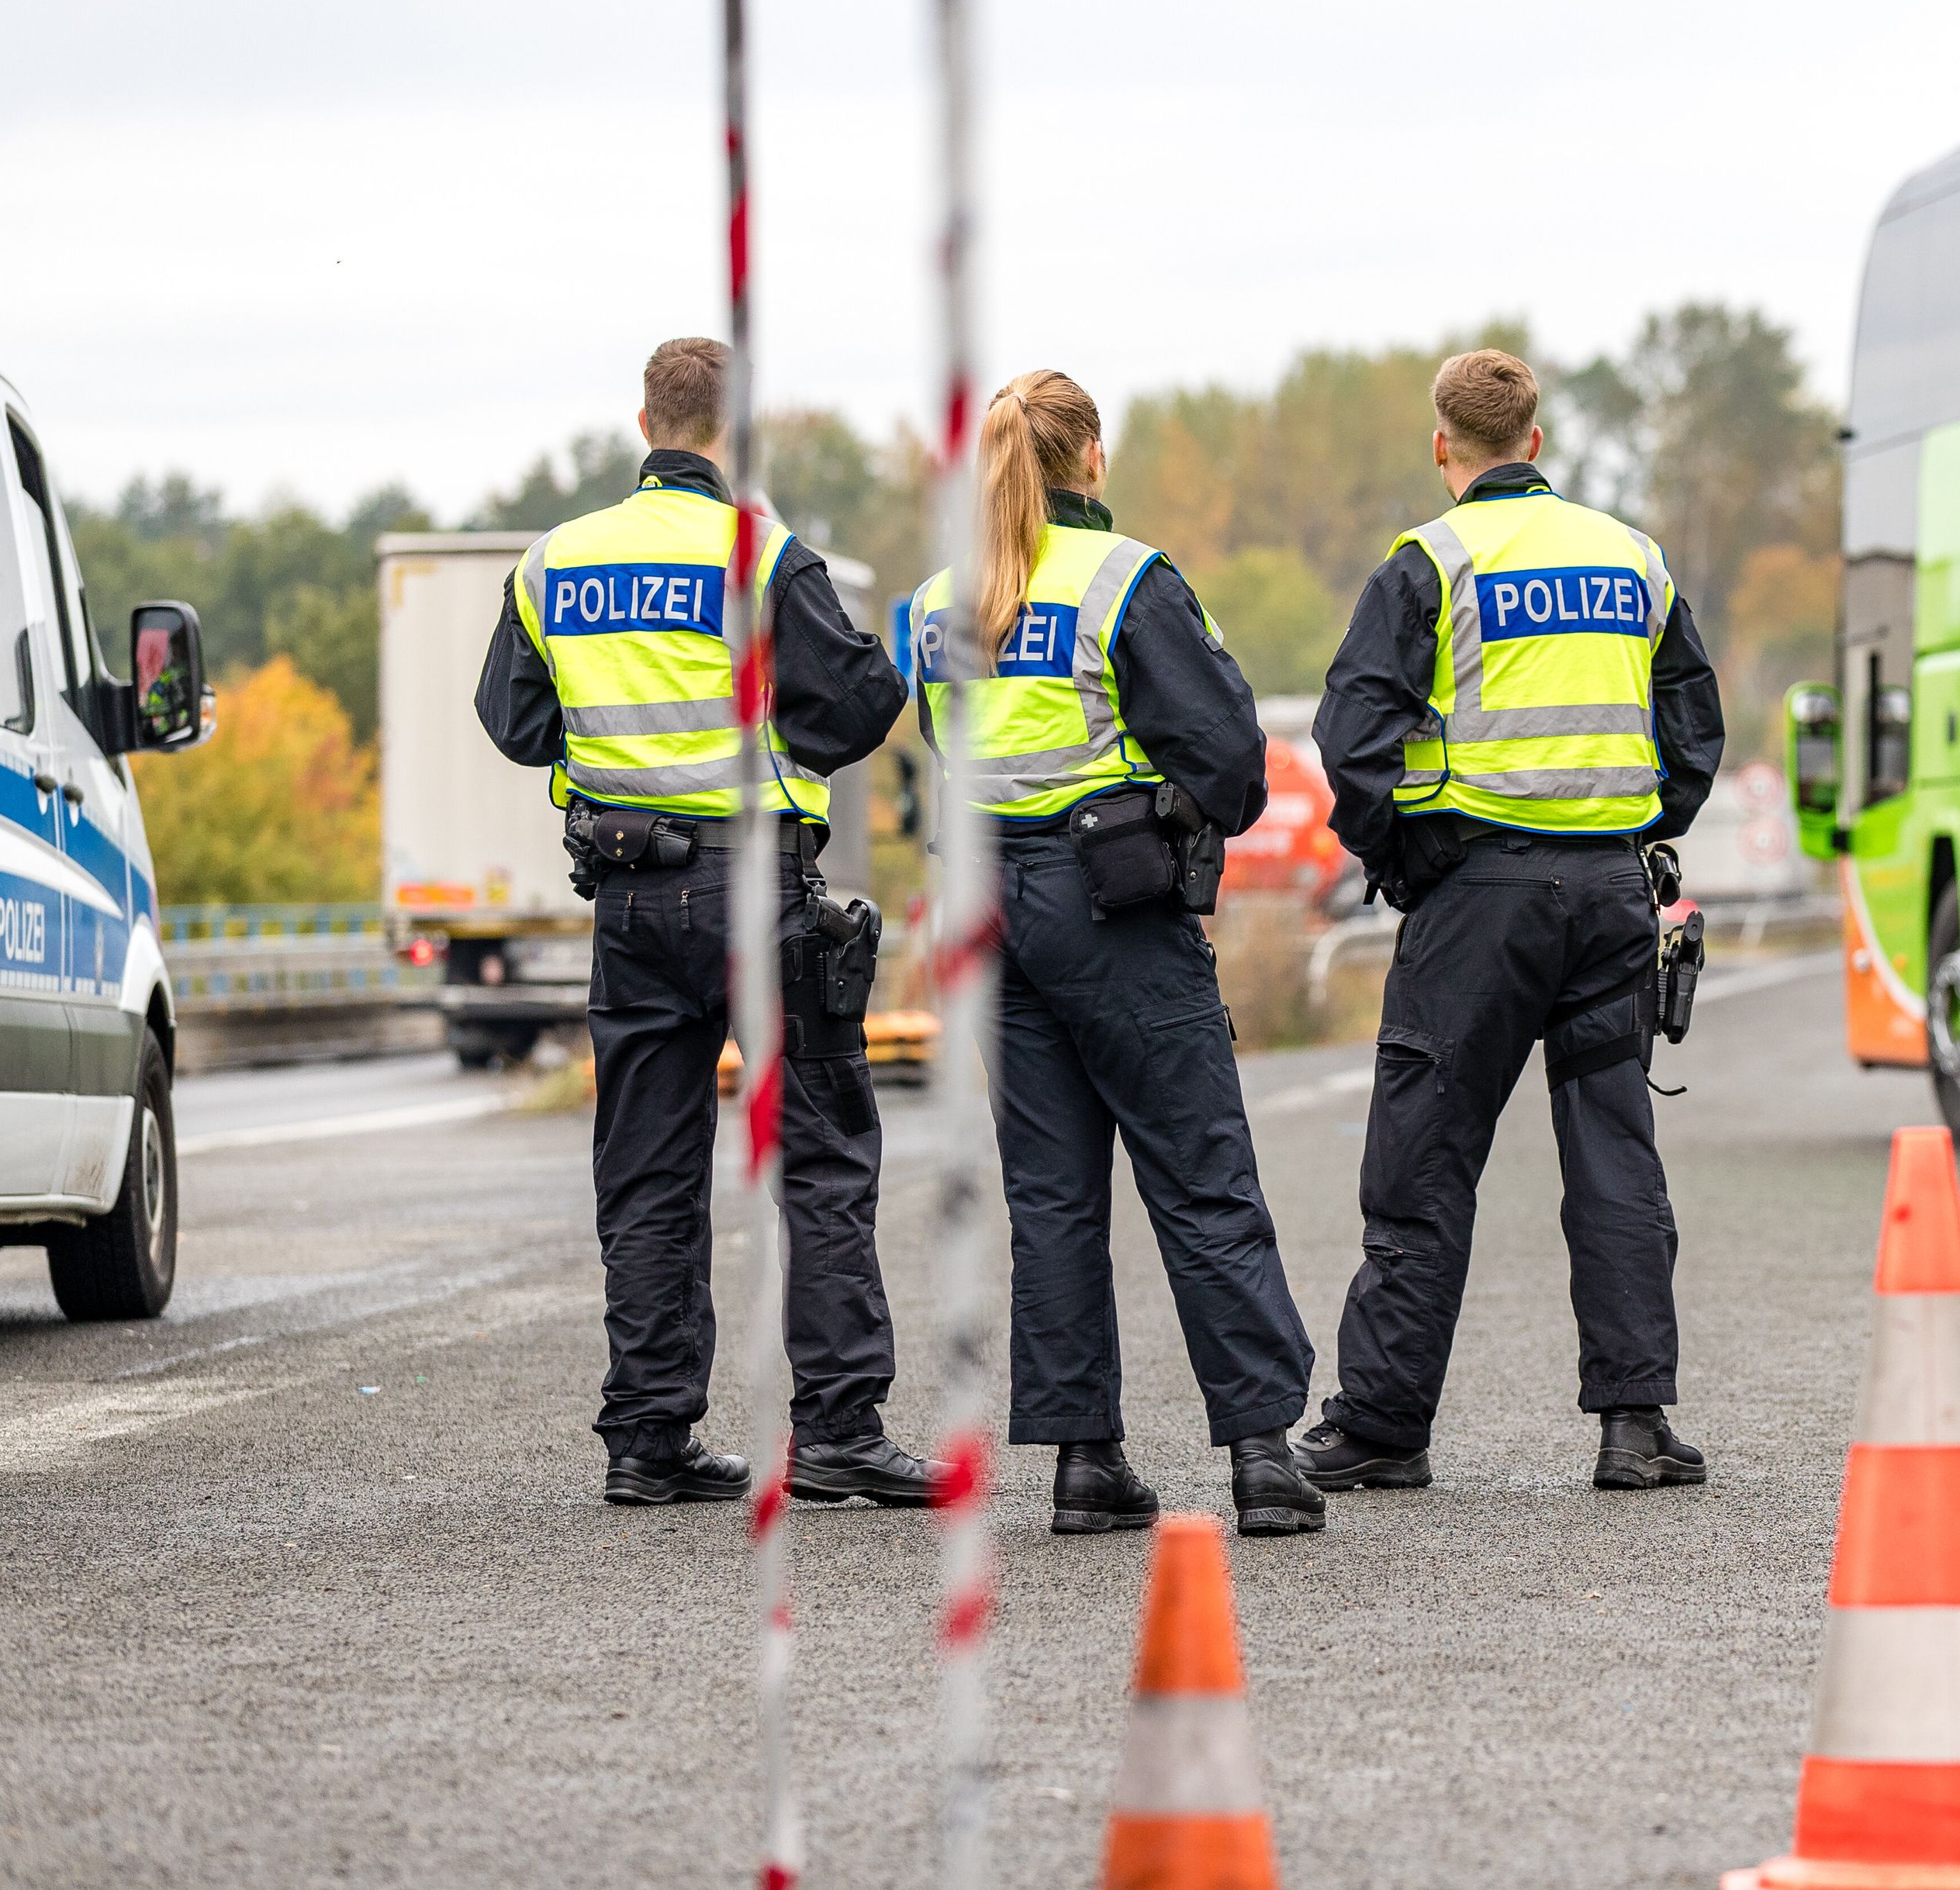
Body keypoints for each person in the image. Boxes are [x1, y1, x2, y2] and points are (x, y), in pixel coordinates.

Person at [476, 337, 939, 1509]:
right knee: (822, 1155)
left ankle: (647, 1438)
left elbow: (514, 722)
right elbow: (862, 707)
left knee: (645, 1170)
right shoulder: (763, 555)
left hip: (629, 899)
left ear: (645, 424)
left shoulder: (554, 561)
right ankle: (838, 1430)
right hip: (757, 895)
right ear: (736, 432)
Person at [1293, 347, 1727, 1494]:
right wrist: (1638, 823)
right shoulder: (1633, 558)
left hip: (1477, 903)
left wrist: (1406, 858)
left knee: (1424, 1164)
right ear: (1537, 440)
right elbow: (1692, 728)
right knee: (1615, 1158)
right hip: (1608, 898)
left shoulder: (1429, 561)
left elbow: (1350, 743)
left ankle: (1384, 1426)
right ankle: (1635, 1427)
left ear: (1447, 447)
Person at [904, 370, 1322, 1538]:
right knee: (1199, 1177)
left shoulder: (941, 602)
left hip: (990, 911)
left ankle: (1085, 1462)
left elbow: (946, 741)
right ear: (1092, 454)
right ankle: (1261, 1458)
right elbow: (1233, 761)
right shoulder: (1127, 580)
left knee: (1051, 1196)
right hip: (1115, 909)